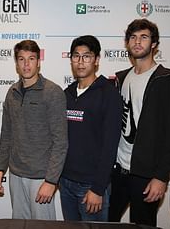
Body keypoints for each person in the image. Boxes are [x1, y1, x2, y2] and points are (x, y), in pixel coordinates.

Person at [108, 19, 170, 226]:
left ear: (154, 44)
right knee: (106, 222)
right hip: (118, 170)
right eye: (133, 37)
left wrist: (161, 177)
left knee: (143, 224)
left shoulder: (167, 81)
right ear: (127, 43)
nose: (137, 42)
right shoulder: (122, 78)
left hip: (147, 174)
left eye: (144, 37)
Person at [0, 40, 68, 220]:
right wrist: (0, 168)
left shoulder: (53, 92)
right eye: (21, 59)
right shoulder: (12, 92)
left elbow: (61, 142)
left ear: (38, 62)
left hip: (41, 177)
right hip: (16, 175)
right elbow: (6, 135)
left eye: (31, 59)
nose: (26, 64)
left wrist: (51, 180)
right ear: (16, 63)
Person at [59, 35, 122, 221]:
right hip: (66, 182)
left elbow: (110, 145)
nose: (80, 62)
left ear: (96, 60)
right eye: (76, 56)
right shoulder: (67, 94)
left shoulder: (108, 94)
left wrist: (98, 188)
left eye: (86, 56)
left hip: (91, 186)